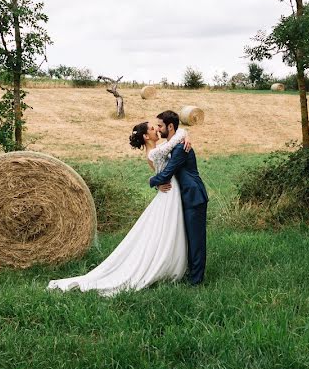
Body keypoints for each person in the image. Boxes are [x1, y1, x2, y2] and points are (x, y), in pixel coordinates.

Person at [47, 118, 194, 295]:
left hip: (169, 190)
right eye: (153, 129)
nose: (157, 131)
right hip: (169, 191)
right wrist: (183, 133)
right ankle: (165, 266)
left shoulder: (154, 150)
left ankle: (173, 263)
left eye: (157, 127)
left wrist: (185, 134)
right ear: (147, 136)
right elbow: (171, 147)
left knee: (169, 229)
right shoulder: (154, 153)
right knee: (167, 230)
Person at [149, 110, 208, 286]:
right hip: (184, 196)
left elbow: (167, 173)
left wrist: (152, 181)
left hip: (194, 196)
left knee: (196, 240)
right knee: (188, 237)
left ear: (170, 126)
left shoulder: (181, 148)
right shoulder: (174, 144)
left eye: (160, 126)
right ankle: (189, 272)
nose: (158, 129)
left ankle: (196, 280)